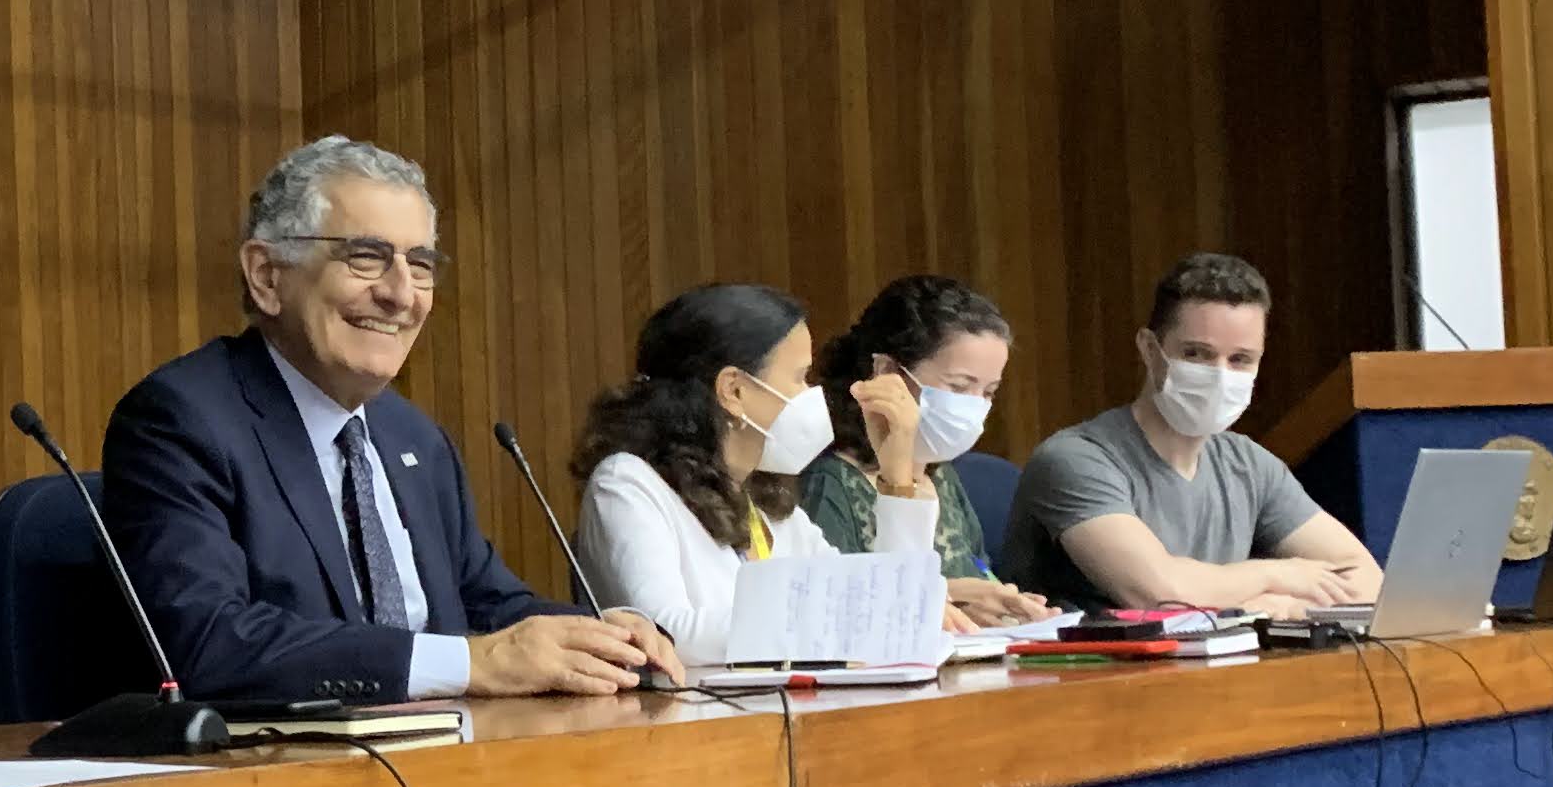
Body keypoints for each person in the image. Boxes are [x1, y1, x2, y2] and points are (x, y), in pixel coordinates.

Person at [102, 137, 683, 709]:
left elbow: (488, 605)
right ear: (268, 276)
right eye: (366, 257)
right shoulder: (181, 420)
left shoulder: (414, 438)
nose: (401, 295)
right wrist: (470, 663)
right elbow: (207, 642)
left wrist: (607, 635)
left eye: (421, 264)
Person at [997, 252, 1381, 614]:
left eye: (1240, 360)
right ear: (1150, 350)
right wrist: (1275, 574)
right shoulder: (1077, 459)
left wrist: (1280, 606)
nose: (1219, 374)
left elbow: (1367, 580)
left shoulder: (1249, 464)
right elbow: (1159, 595)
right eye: (1197, 354)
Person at [572, 283, 931, 656]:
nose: (812, 394)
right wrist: (833, 619)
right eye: (799, 378)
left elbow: (888, 609)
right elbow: (665, 632)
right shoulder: (627, 484)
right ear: (734, 391)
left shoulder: (762, 495)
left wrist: (897, 475)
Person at [797, 273, 1053, 624]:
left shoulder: (942, 476)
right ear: (888, 372)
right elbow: (840, 610)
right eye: (959, 387)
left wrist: (1009, 606)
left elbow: (979, 578)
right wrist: (949, 596)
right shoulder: (831, 483)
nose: (975, 407)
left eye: (989, 392)